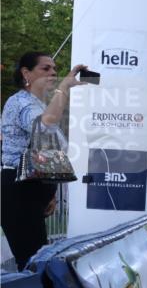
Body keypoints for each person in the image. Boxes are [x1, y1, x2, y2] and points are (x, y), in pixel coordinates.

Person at [1, 53, 90, 269]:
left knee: (38, 258)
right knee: (33, 263)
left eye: (54, 68)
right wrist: (64, 88)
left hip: (34, 188)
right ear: (26, 73)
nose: (52, 73)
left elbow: (50, 148)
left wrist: (50, 191)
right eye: (45, 68)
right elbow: (43, 126)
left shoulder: (39, 104)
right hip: (19, 188)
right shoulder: (20, 102)